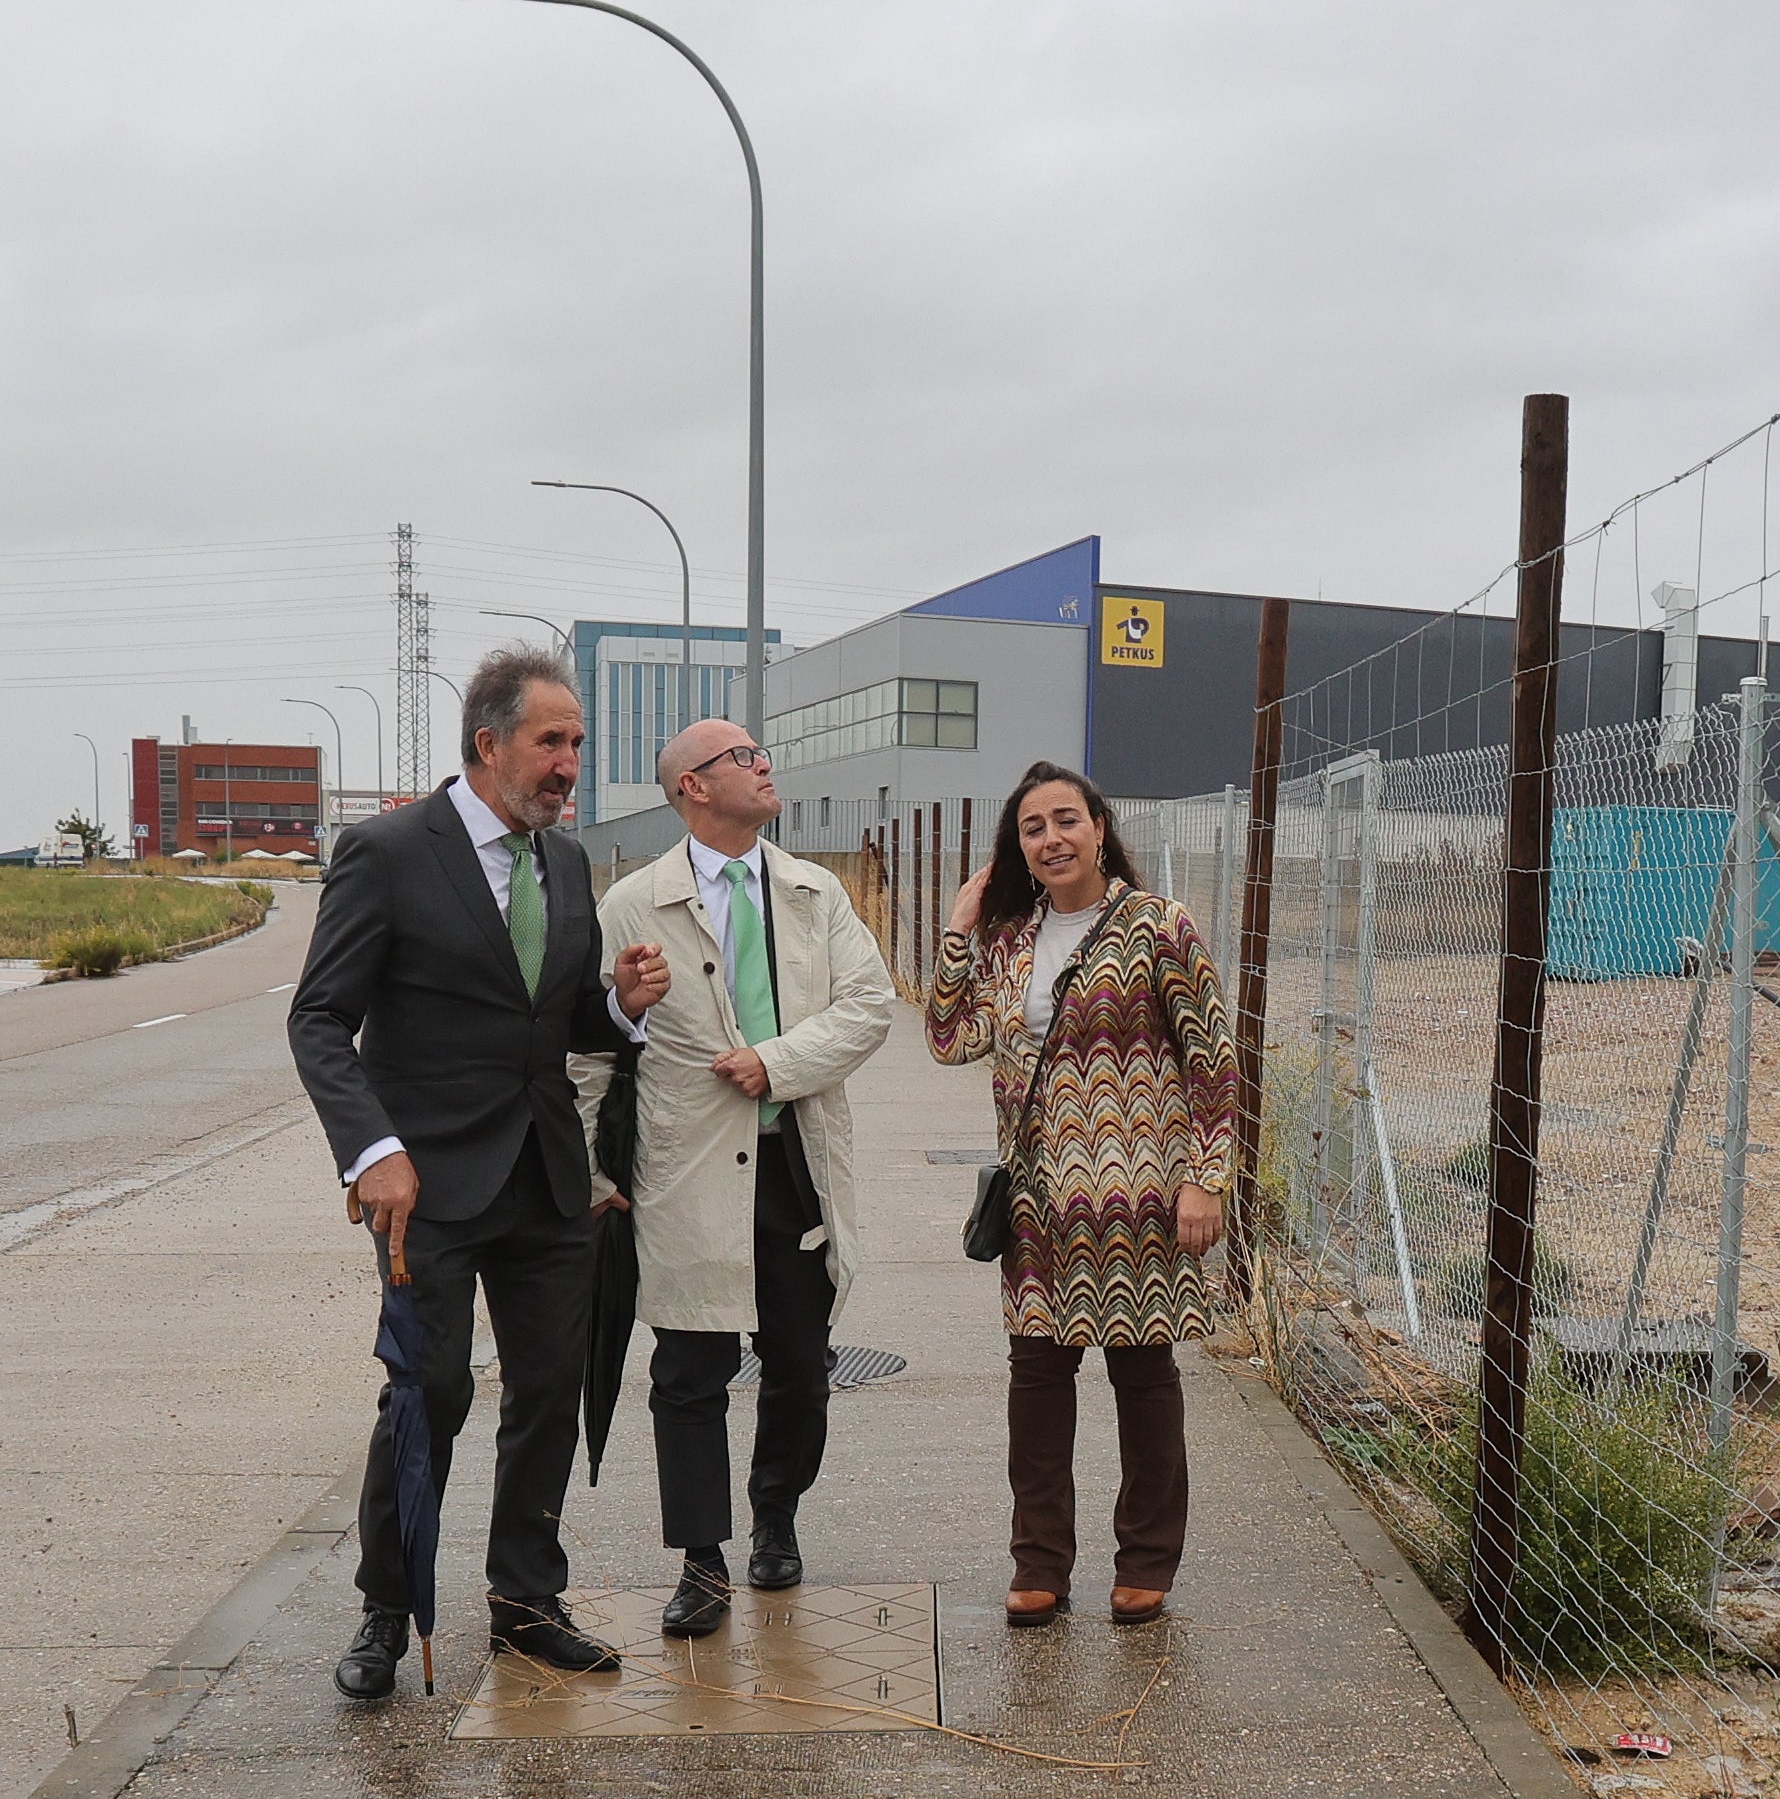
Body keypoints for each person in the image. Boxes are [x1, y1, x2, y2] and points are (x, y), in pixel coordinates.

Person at [290, 647, 673, 1695]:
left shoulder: (565, 860)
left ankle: (523, 1599)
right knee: (431, 1389)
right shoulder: (385, 851)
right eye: (551, 741)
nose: (569, 762)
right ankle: (385, 1606)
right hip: (426, 1183)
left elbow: (552, 1017)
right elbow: (320, 1018)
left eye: (578, 742)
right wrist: (374, 1150)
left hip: (548, 1171)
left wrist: (620, 1006)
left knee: (551, 1388)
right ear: (488, 743)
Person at [584, 718, 899, 1639]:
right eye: (744, 759)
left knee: (799, 1366)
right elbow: (594, 1048)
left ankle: (776, 1516)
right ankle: (700, 1560)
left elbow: (868, 1006)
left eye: (762, 755)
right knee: (688, 1372)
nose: (765, 768)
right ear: (692, 787)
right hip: (683, 1170)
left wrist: (776, 1061)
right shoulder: (633, 904)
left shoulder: (813, 892)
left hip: (792, 1165)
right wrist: (599, 1172)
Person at [926, 761, 1235, 1627]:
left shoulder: (1156, 924)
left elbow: (1212, 1061)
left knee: (1144, 1380)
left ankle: (1145, 1561)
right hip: (1038, 1201)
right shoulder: (1009, 937)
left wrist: (1206, 1181)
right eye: (1033, 827)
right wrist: (960, 925)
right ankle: (1040, 1563)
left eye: (1067, 820)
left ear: (1100, 827)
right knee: (1036, 1381)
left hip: (1142, 1199)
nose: (1052, 839)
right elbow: (950, 1040)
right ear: (1017, 847)